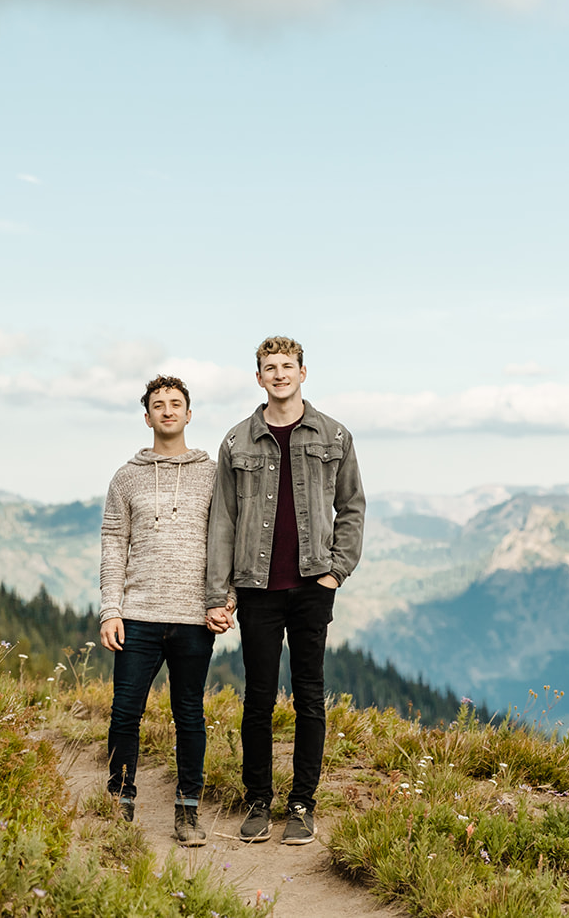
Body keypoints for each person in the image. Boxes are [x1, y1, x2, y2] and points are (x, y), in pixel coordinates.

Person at [205, 336, 365, 845]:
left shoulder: (334, 436)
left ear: (302, 373)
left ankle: (302, 804)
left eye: (287, 366)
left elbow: (353, 507)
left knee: (310, 697)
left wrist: (336, 572)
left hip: (313, 585)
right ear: (258, 378)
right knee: (257, 698)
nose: (279, 374)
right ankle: (258, 802)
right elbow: (223, 522)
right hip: (257, 590)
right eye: (269, 368)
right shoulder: (236, 442)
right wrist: (219, 591)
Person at [100, 374, 218, 846]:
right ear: (146, 416)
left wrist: (224, 600)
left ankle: (188, 812)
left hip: (194, 617)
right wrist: (111, 610)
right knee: (125, 711)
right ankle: (119, 802)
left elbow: (224, 542)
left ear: (189, 414)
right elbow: (113, 543)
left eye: (176, 404)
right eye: (158, 404)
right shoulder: (126, 477)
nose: (167, 411)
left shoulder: (213, 475)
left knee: (189, 714)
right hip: (138, 616)